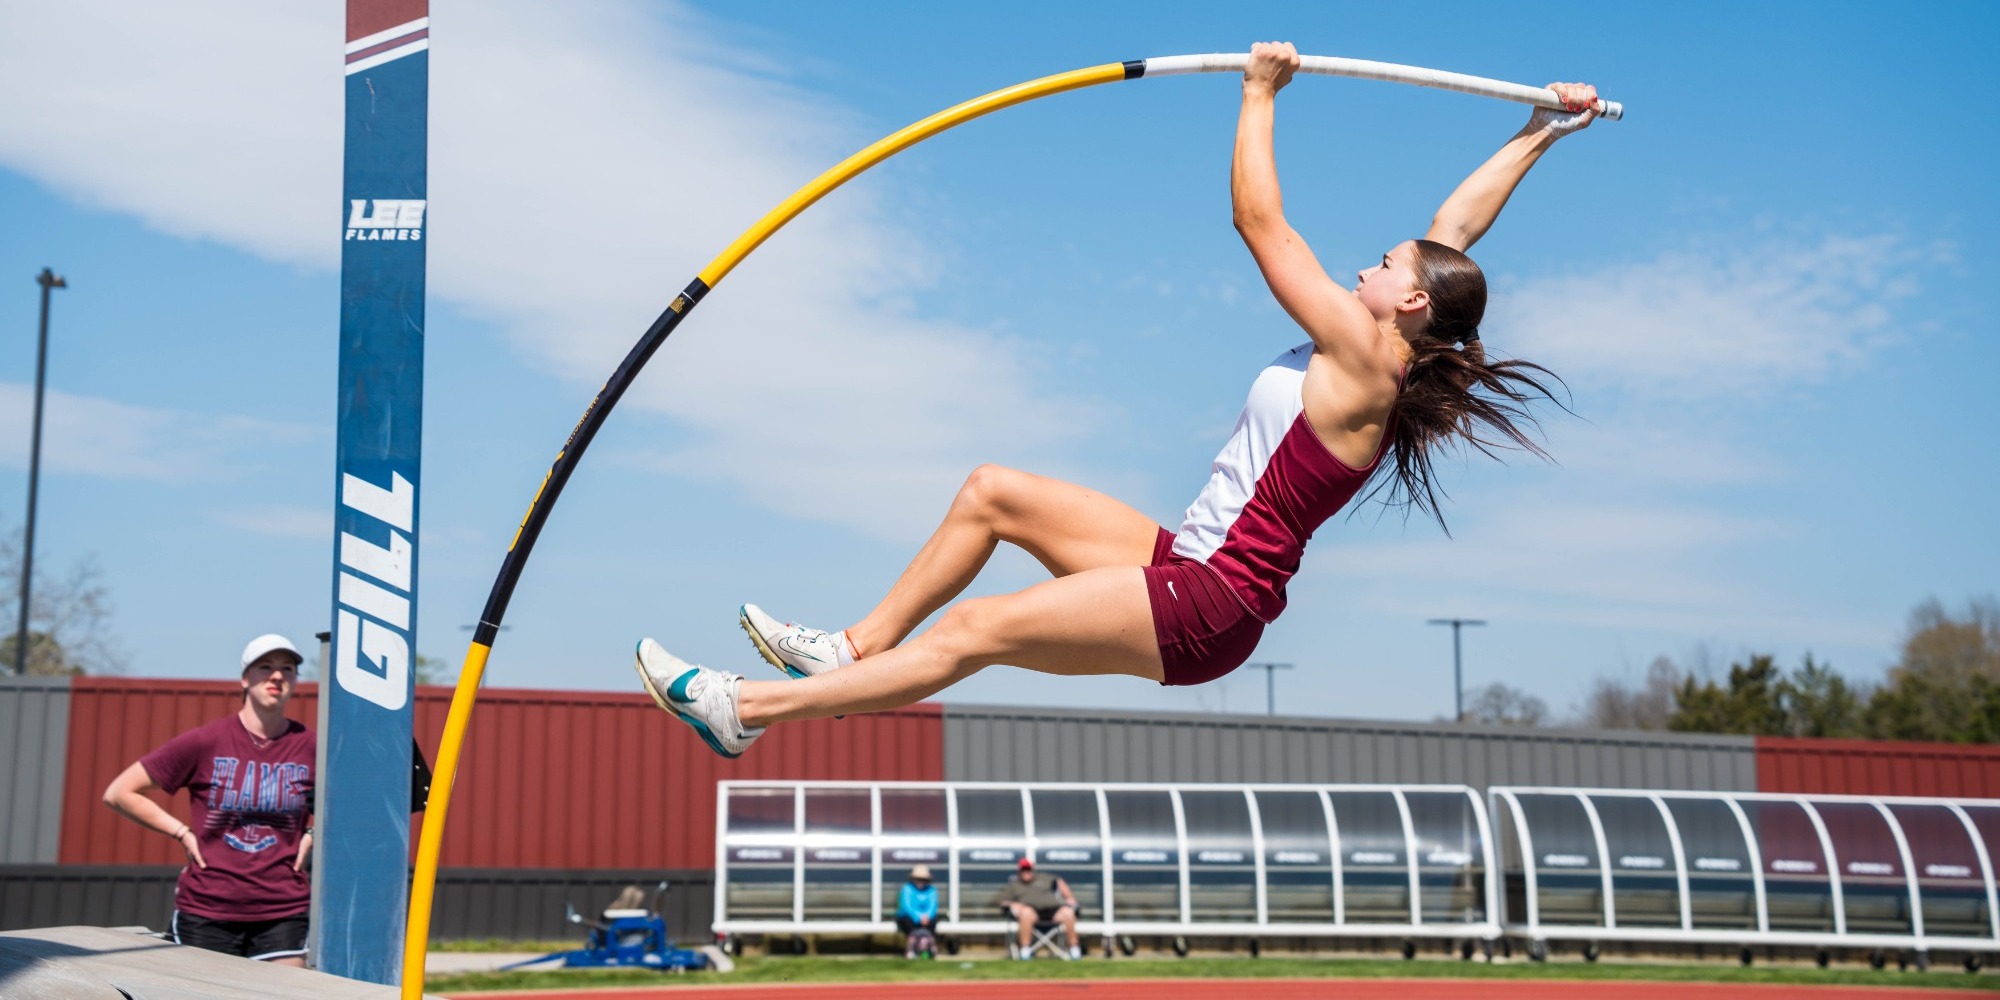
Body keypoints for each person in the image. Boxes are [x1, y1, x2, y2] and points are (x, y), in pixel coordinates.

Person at [634, 42, 1593, 758]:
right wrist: (1541, 130)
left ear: (1412, 302)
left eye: (1382, 265)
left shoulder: (1358, 357)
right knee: (992, 492)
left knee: (974, 633)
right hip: (1186, 559)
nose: (1362, 264)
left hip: (1208, 603)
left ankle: (742, 710)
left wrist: (1257, 94)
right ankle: (853, 651)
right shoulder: (1379, 332)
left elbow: (1258, 222)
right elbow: (1453, 228)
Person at [103, 634, 315, 966]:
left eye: (287, 668)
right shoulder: (206, 741)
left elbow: (358, 801)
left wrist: (315, 834)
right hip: (207, 909)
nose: (277, 676)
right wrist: (181, 832)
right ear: (245, 678)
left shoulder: (310, 746)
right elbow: (119, 793)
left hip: (283, 910)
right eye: (266, 667)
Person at [994, 858, 1080, 960]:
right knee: (1026, 912)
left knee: (1068, 912)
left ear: (1032, 869)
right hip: (1033, 914)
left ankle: (1074, 948)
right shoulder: (1014, 885)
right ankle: (1025, 949)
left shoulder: (1044, 878)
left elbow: (1058, 881)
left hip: (1053, 911)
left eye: (1028, 869)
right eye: (1024, 869)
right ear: (1019, 870)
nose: (1026, 872)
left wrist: (1069, 897)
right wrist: (1014, 904)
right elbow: (1002, 901)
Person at [894, 864, 939, 959]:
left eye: (923, 879)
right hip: (909, 918)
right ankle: (912, 948)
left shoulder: (932, 890)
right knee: (908, 922)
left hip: (927, 919)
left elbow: (933, 906)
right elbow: (906, 906)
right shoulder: (907, 889)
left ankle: (927, 947)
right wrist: (919, 917)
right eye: (918, 879)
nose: (921, 882)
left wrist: (927, 917)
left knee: (933, 921)